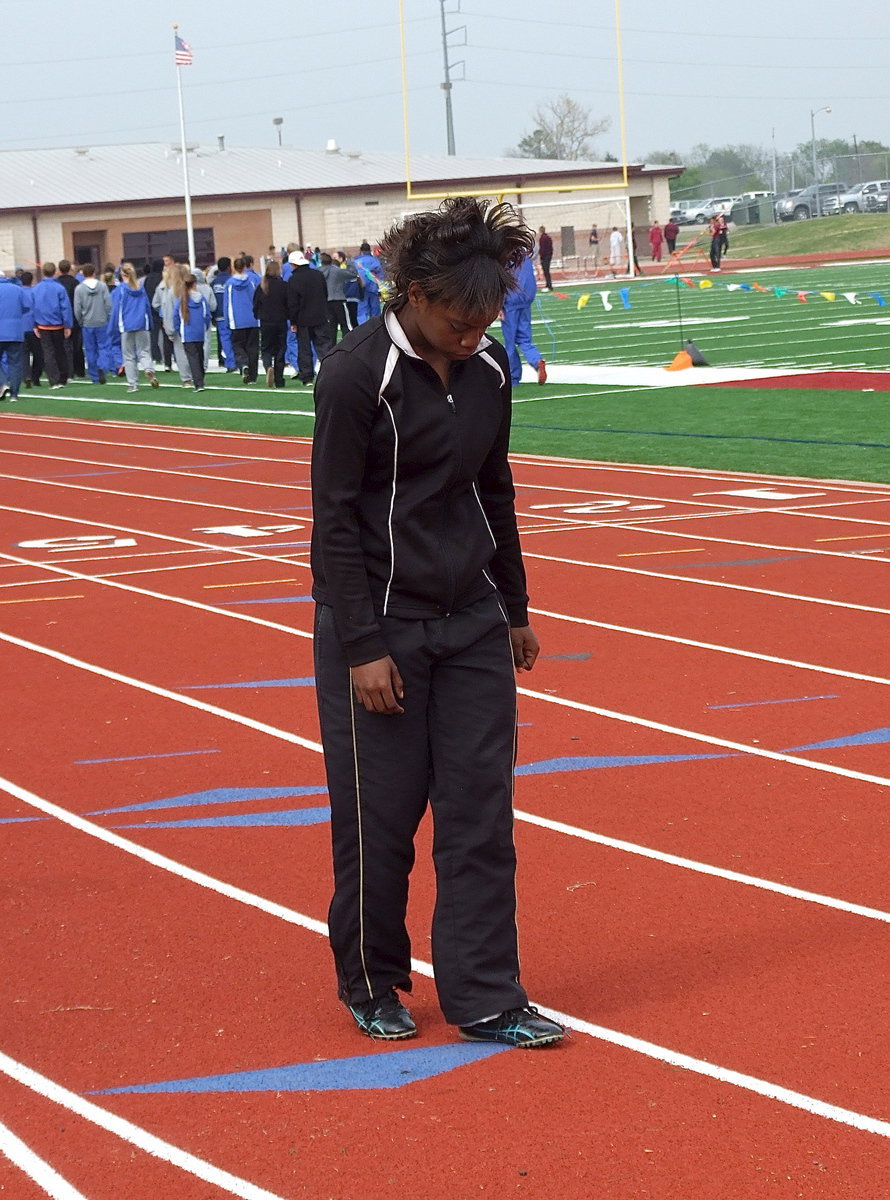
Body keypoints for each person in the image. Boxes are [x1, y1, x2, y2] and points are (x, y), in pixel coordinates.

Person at [310, 195, 565, 1050]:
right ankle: (373, 980)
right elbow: (335, 522)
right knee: (379, 825)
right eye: (459, 318)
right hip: (381, 629)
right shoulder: (353, 377)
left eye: (488, 315)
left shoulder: (490, 371)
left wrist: (516, 607)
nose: (474, 331)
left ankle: (489, 996)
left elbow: (494, 491)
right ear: (410, 294)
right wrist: (363, 646)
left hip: (470, 627)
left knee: (480, 816)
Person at [108, 262, 159, 392]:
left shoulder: (120, 290)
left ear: (121, 274)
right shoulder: (140, 288)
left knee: (129, 356)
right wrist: (150, 324)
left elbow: (116, 310)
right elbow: (147, 306)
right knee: (145, 352)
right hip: (142, 323)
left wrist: (111, 328)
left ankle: (133, 384)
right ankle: (149, 369)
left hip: (126, 325)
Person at [500, 251, 547, 386]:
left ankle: (513, 377)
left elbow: (501, 281)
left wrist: (499, 305)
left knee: (510, 344)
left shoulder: (505, 258)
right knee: (525, 340)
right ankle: (536, 360)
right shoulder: (525, 257)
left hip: (510, 304)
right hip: (525, 301)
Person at [286, 249, 332, 384]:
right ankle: (329, 373)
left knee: (305, 349)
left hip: (303, 320)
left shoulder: (294, 279)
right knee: (324, 347)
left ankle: (307, 377)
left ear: (294, 264)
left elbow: (293, 304)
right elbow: (325, 294)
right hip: (320, 317)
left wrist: (293, 321)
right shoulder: (318, 275)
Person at [31, 263, 73, 389]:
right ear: (55, 272)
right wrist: (68, 325)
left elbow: (33, 308)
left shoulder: (36, 289)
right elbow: (65, 308)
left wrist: (34, 325)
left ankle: (54, 380)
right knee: (60, 351)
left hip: (43, 325)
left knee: (48, 353)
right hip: (58, 324)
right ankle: (63, 377)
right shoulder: (59, 288)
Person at [252, 258, 290, 387]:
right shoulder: (284, 286)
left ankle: (268, 366)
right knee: (281, 349)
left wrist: (258, 315)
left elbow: (255, 304)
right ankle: (279, 379)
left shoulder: (262, 286)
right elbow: (289, 304)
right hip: (281, 321)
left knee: (266, 348)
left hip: (266, 322)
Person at [73, 263, 112, 383]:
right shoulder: (102, 286)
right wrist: (108, 317)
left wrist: (80, 321)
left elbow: (77, 308)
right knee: (104, 347)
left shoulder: (79, 288)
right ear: (94, 272)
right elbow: (108, 304)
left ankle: (94, 375)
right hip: (101, 321)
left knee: (90, 350)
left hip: (87, 323)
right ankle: (103, 366)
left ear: (83, 274)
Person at [224, 256, 261, 383]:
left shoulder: (229, 284)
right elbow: (256, 299)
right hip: (252, 319)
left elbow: (227, 303)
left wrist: (227, 320)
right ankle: (253, 376)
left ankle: (243, 364)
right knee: (253, 348)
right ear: (245, 267)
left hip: (237, 320)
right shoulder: (251, 282)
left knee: (238, 345)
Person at [175, 273, 212, 392]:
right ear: (195, 284)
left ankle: (198, 383)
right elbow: (207, 316)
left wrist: (178, 330)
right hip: (199, 332)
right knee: (200, 356)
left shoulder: (181, 300)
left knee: (193, 358)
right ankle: (201, 379)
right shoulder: (201, 299)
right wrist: (204, 327)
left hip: (187, 333)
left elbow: (175, 317)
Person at [318, 251, 358, 344]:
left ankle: (331, 349)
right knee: (345, 325)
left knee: (331, 327)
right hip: (338, 299)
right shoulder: (336, 271)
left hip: (326, 302)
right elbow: (353, 274)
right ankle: (349, 345)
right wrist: (349, 262)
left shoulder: (318, 272)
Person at [0, 273, 27, 402]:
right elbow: (27, 306)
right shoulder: (16, 289)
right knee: (15, 363)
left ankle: (3, 383)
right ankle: (14, 394)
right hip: (15, 330)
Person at [56, 260, 85, 378]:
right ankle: (80, 370)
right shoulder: (75, 282)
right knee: (77, 346)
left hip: (61, 319)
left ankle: (68, 371)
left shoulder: (57, 284)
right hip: (75, 317)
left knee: (64, 347)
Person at [211, 256, 236, 371]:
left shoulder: (214, 283)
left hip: (219, 315)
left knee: (225, 340)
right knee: (236, 339)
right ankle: (239, 361)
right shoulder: (233, 281)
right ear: (228, 267)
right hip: (233, 315)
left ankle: (230, 363)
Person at [353, 241, 383, 323]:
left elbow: (353, 274)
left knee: (362, 311)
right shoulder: (375, 261)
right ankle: (376, 327)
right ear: (369, 250)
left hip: (361, 288)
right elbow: (380, 276)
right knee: (375, 310)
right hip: (374, 288)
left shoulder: (356, 261)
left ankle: (363, 330)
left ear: (361, 250)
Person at [537, 226, 553, 290]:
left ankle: (549, 285)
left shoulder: (542, 238)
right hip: (548, 255)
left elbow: (542, 248)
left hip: (545, 256)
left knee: (546, 270)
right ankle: (548, 284)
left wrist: (541, 256)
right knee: (546, 270)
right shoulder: (548, 237)